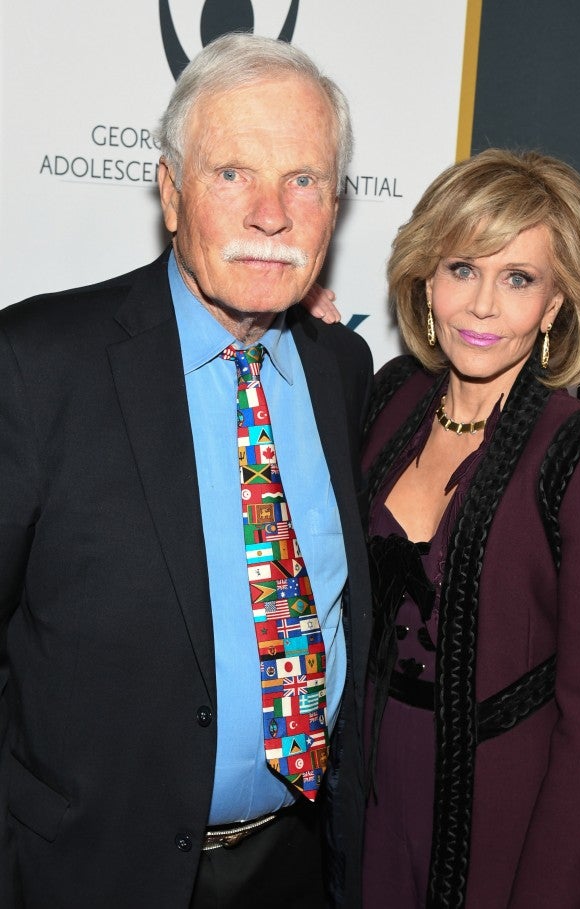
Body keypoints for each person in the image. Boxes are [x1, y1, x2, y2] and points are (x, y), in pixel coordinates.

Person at [0, 33, 373, 909]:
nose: (272, 214)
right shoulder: (36, 364)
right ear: (171, 192)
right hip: (86, 873)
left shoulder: (343, 369)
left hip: (297, 864)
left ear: (334, 203)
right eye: (232, 173)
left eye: (304, 180)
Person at [313, 148, 580, 908]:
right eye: (463, 268)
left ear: (555, 305)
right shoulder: (392, 397)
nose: (483, 305)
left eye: (519, 278)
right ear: (427, 279)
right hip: (365, 795)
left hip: (506, 821)